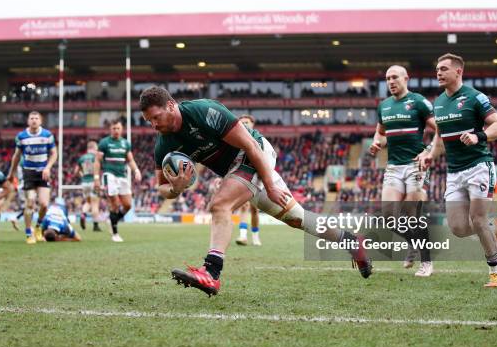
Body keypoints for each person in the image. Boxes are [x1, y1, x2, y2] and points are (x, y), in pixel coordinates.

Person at [139, 86, 372, 296]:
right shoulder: (164, 144)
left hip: (254, 154)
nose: (154, 125)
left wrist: (270, 185)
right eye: (149, 121)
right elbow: (161, 187)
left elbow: (250, 145)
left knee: (220, 205)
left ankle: (211, 272)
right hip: (235, 171)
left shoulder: (204, 111)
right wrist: (174, 190)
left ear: (171, 105)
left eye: (156, 118)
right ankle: (351, 241)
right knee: (297, 218)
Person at [418, 53, 497, 288]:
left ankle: (495, 272)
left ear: (458, 71)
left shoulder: (475, 97)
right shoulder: (438, 103)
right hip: (454, 172)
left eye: (444, 69)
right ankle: (491, 227)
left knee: (477, 219)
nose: (438, 72)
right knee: (457, 228)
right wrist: (429, 155)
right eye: (437, 69)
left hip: (479, 166)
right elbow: (439, 139)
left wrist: (479, 136)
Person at [369, 65, 436, 277]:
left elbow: (440, 129)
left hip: (415, 165)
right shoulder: (384, 106)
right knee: (389, 217)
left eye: (394, 77)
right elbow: (379, 133)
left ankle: (426, 263)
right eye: (387, 78)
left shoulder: (418, 102)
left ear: (406, 78)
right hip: (393, 167)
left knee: (413, 215)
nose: (390, 81)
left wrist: (429, 152)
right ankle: (412, 243)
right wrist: (376, 143)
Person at [7, 111, 57, 244]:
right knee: (30, 202)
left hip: (43, 172)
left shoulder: (47, 135)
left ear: (40, 121)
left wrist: (48, 167)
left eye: (36, 118)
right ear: (28, 121)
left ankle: (38, 227)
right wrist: (11, 173)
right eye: (31, 118)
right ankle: (29, 234)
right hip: (28, 172)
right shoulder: (21, 136)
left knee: (44, 204)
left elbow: (54, 154)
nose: (34, 120)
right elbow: (17, 156)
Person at [94, 119, 142, 242]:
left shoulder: (126, 143)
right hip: (109, 176)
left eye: (118, 128)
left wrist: (136, 170)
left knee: (127, 205)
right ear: (110, 129)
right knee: (114, 204)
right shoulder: (104, 143)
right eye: (114, 128)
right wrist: (96, 178)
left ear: (122, 129)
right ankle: (115, 233)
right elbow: (98, 161)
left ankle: (112, 220)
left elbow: (130, 160)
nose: (116, 130)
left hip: (122, 176)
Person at [234, 115, 261, 246]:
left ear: (252, 124)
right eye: (242, 123)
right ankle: (243, 236)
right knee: (244, 206)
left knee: (254, 209)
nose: (244, 124)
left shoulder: (259, 139)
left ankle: (255, 236)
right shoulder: (235, 140)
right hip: (241, 174)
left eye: (246, 122)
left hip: (257, 176)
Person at [74, 140, 102, 232]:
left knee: (88, 201)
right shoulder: (96, 157)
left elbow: (75, 171)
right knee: (95, 203)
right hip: (94, 181)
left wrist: (82, 175)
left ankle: (83, 214)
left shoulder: (82, 158)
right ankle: (95, 225)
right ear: (94, 148)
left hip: (84, 182)